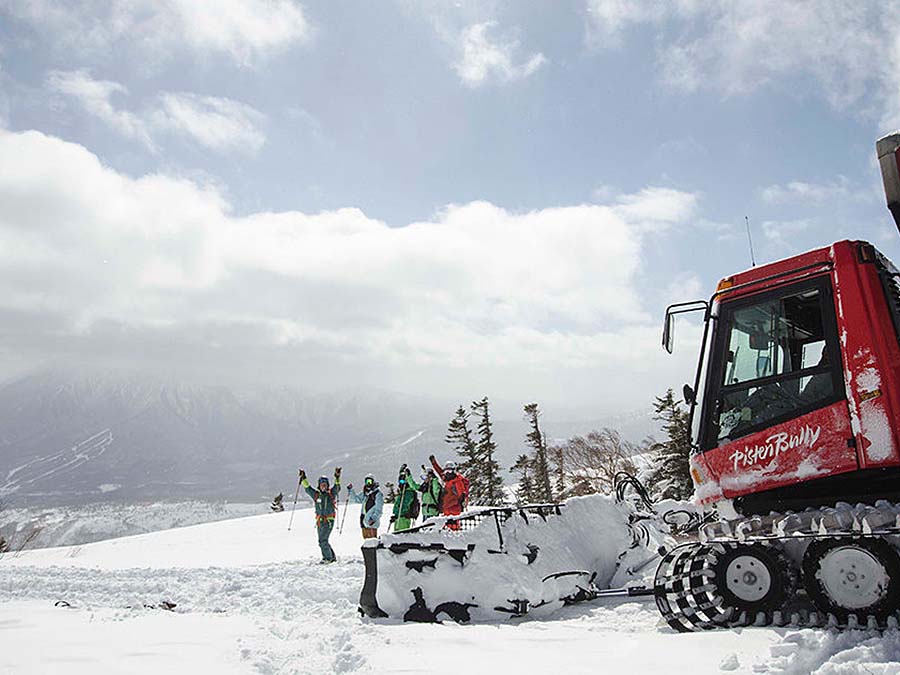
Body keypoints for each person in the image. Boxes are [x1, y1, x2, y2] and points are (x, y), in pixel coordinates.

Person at [299, 467, 341, 563]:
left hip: (328, 521)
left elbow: (337, 487)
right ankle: (332, 557)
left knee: (323, 541)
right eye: (322, 485)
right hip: (319, 522)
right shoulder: (316, 495)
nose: (323, 487)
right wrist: (303, 478)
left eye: (325, 485)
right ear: (319, 485)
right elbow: (307, 489)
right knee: (322, 540)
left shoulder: (331, 494)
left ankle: (327, 558)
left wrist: (337, 477)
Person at [429, 455, 469, 526]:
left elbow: (461, 495)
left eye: (450, 470)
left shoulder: (457, 481)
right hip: (446, 508)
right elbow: (440, 472)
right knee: (446, 528)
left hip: (454, 509)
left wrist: (461, 502)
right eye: (446, 470)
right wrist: (434, 463)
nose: (448, 473)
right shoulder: (447, 480)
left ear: (454, 471)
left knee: (453, 528)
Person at [347, 474, 383, 538]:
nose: (368, 484)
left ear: (373, 482)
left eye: (370, 481)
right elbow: (356, 499)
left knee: (372, 542)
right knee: (366, 542)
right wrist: (351, 490)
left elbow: (379, 509)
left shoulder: (377, 494)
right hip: (364, 521)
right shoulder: (365, 494)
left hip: (371, 522)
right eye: (366, 482)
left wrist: (373, 518)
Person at [390, 465, 420, 532]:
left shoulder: (408, 493)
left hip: (403, 518)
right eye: (400, 482)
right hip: (399, 518)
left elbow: (404, 505)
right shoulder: (402, 492)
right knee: (396, 536)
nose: (401, 483)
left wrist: (398, 514)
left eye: (403, 482)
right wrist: (395, 515)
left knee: (401, 536)